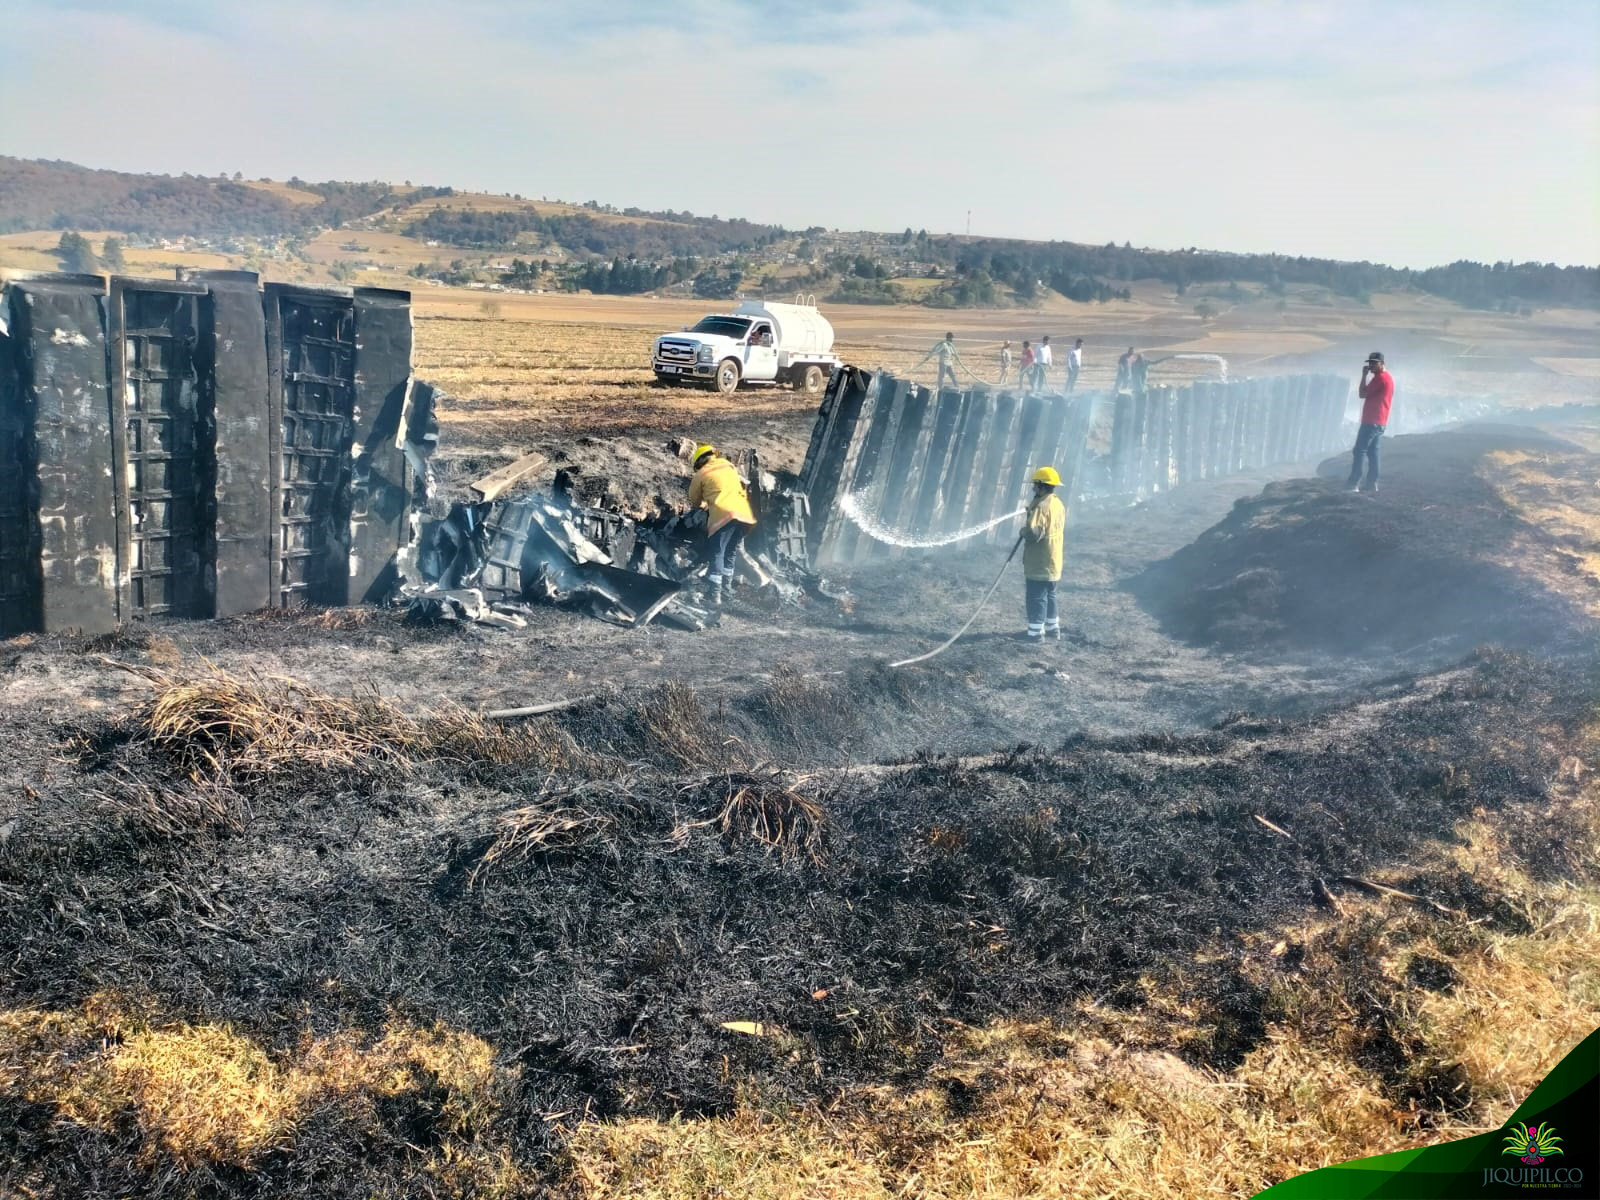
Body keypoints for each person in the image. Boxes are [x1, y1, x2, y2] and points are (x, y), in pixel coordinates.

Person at [687, 443, 756, 606]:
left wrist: (704, 505)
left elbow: (695, 500)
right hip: (743, 514)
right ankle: (726, 589)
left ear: (699, 462)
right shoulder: (729, 466)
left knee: (717, 552)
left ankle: (714, 595)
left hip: (724, 515)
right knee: (730, 552)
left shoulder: (701, 474)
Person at [1022, 466, 1066, 642]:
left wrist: (1023, 532)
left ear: (1041, 486)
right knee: (1050, 594)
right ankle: (1053, 628)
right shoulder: (1058, 503)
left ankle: (1035, 633)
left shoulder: (1042, 506)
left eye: (1035, 485)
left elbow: (1034, 533)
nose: (1033, 488)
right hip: (1054, 560)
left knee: (1036, 596)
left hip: (1039, 561)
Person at [1345, 351, 1393, 493]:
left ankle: (1353, 483)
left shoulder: (1380, 379)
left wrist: (1364, 376)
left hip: (1371, 421)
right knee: (1373, 453)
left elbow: (1362, 394)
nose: (1371, 365)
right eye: (1370, 363)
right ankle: (1372, 484)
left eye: (1374, 363)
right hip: (1380, 421)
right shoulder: (1387, 378)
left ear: (1382, 363)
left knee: (1359, 450)